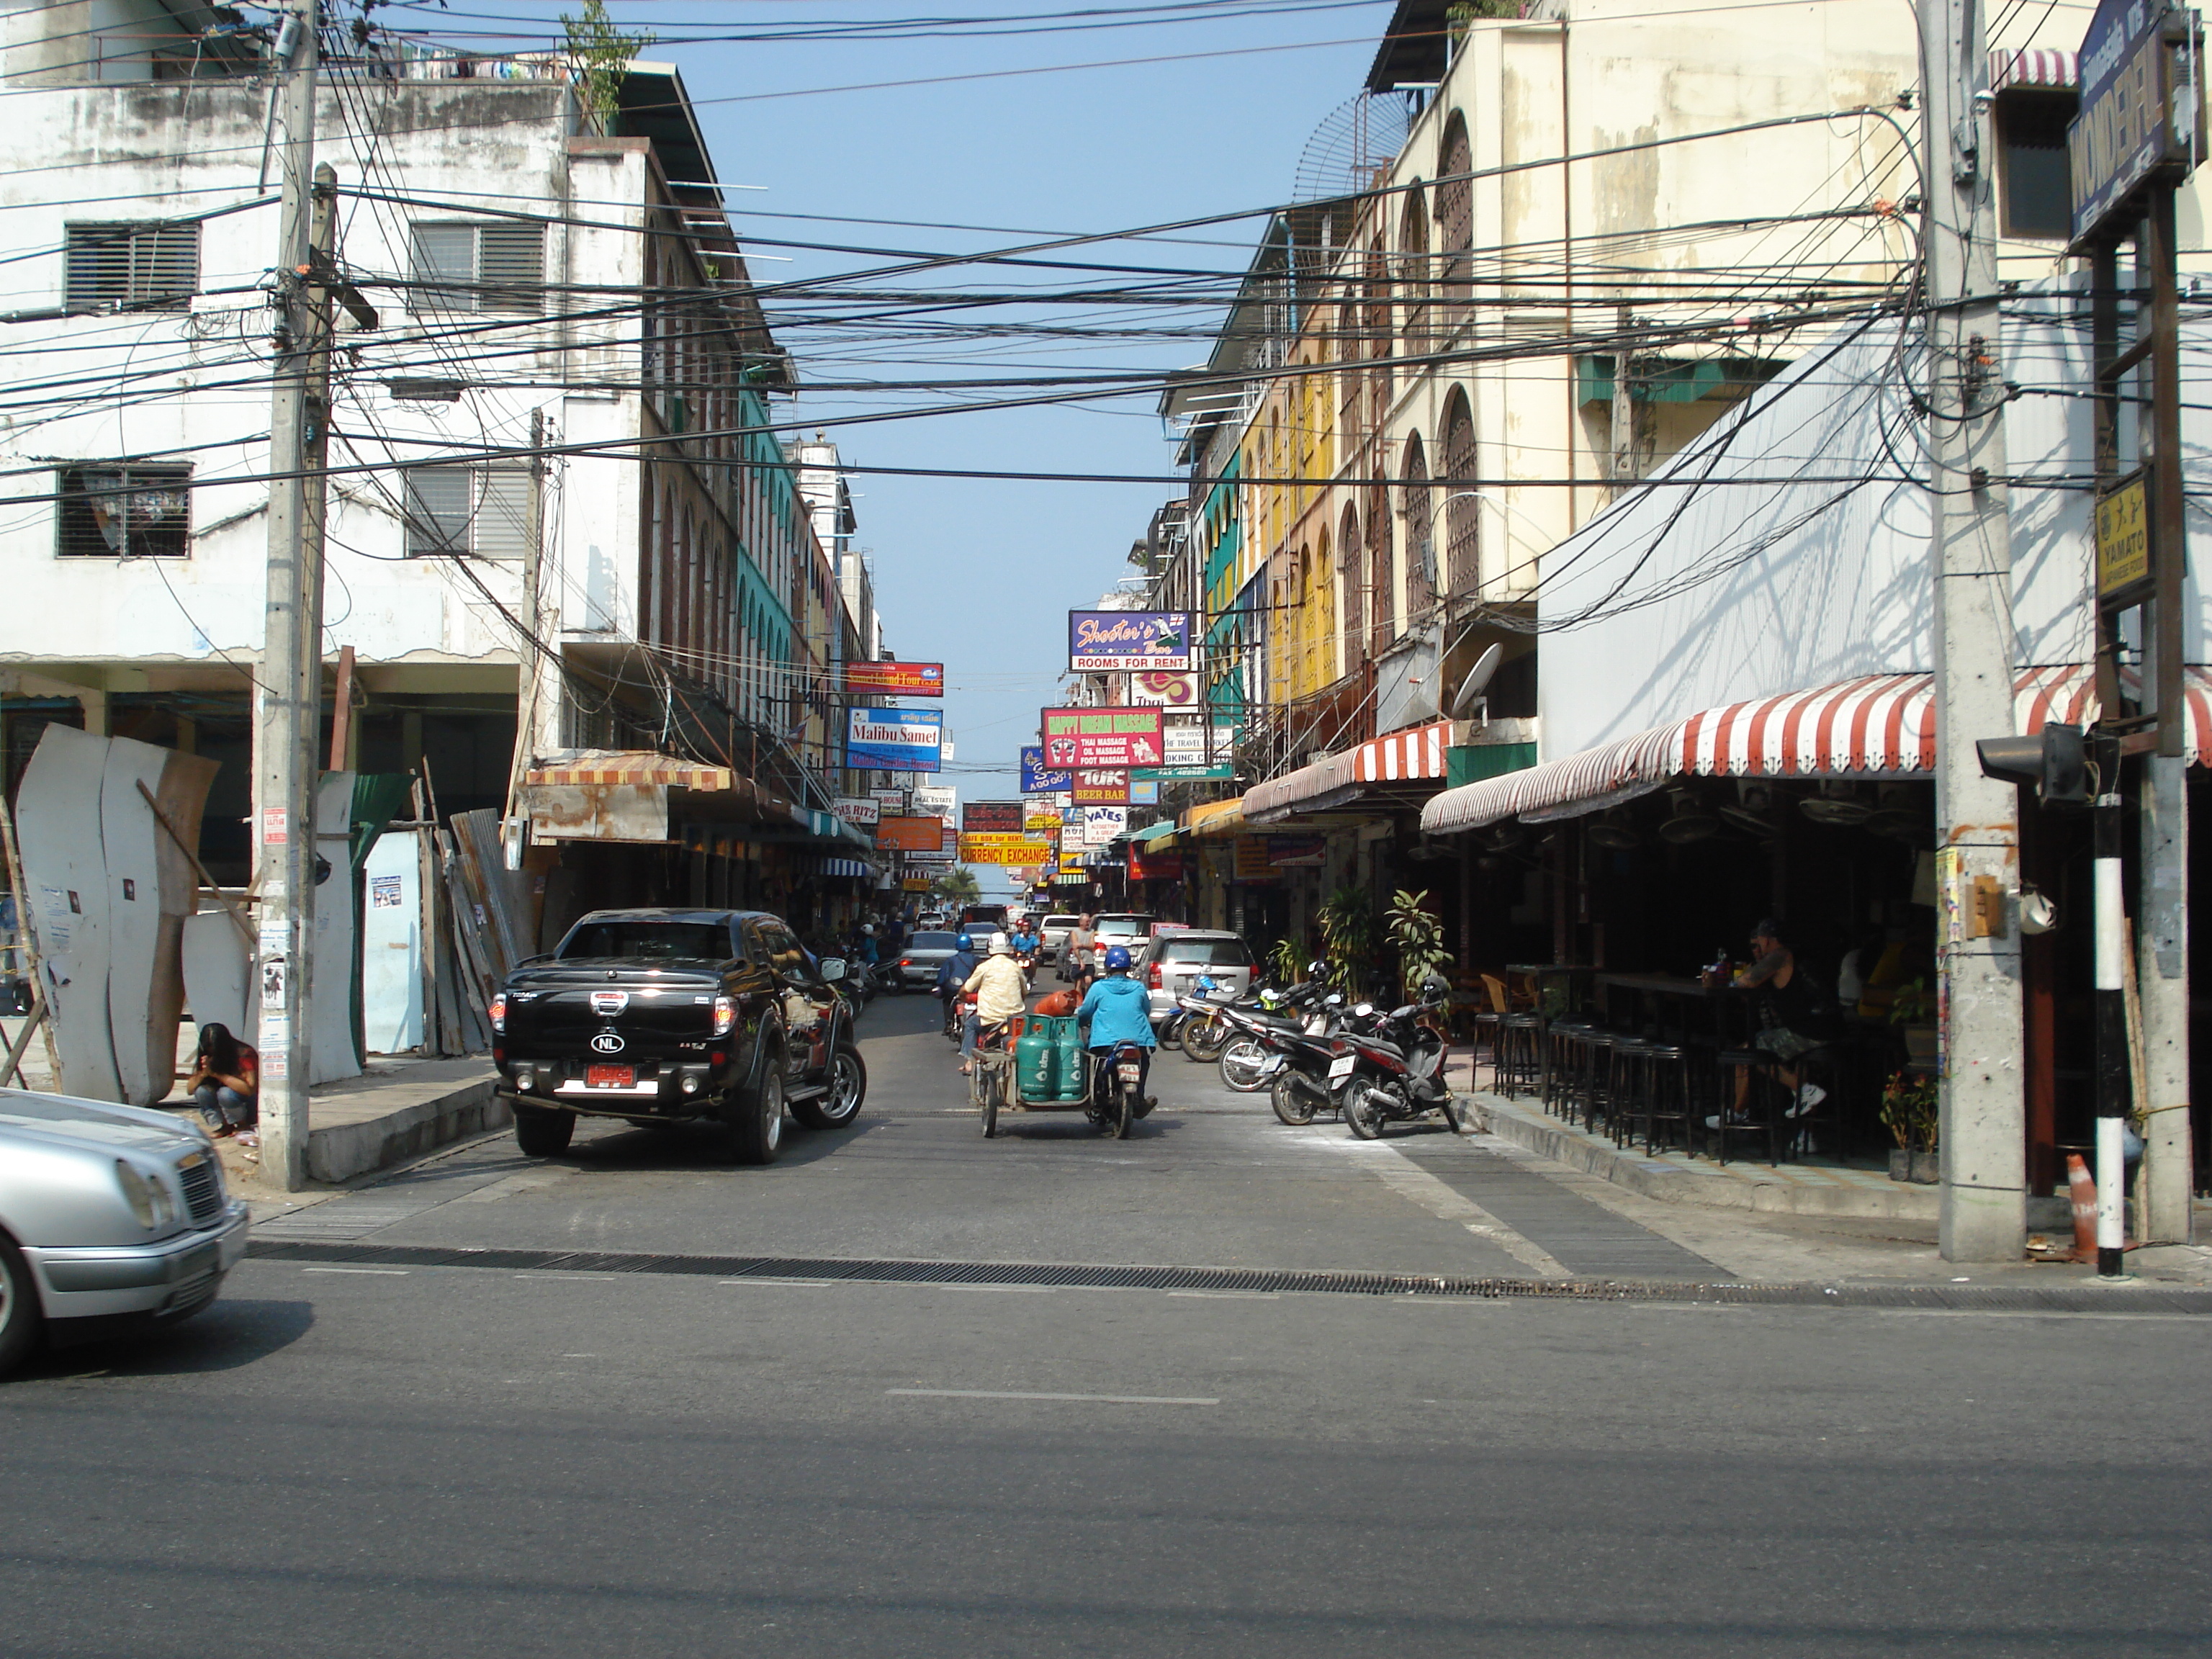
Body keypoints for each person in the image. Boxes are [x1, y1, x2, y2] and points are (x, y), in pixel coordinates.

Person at [1709, 920, 1828, 1130]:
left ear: (1767, 939)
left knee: (1748, 1053)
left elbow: (1746, 982)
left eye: (1759, 942)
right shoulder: (1800, 956)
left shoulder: (1780, 955)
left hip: (1809, 1030)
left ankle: (1803, 1091)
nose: (1758, 947)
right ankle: (1801, 1126)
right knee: (1757, 1049)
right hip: (1825, 1026)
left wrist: (1727, 980)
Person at [1076, 944, 1157, 1112]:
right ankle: (1139, 1097)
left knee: (1093, 1063)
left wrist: (1080, 1021)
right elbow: (1146, 1010)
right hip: (1138, 1041)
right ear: (1128, 968)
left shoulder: (1098, 988)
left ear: (1107, 968)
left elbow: (1085, 1012)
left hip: (1105, 1042)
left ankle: (1097, 1095)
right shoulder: (1139, 987)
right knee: (1144, 1061)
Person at [960, 936, 1030, 1076]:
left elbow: (965, 989)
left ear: (990, 948)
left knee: (970, 1025)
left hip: (990, 1019)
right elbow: (1025, 992)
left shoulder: (984, 967)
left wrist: (962, 997)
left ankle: (969, 1062)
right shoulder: (1015, 967)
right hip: (1015, 1020)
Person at [186, 1022, 259, 1138]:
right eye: (208, 1046)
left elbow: (249, 1089)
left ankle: (242, 1124)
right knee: (202, 1091)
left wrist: (218, 1075)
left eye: (213, 1046)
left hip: (247, 1102)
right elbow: (190, 1089)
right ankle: (225, 1126)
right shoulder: (207, 1055)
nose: (211, 1049)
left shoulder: (243, 1053)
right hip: (224, 1099)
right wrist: (203, 1074)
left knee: (226, 1093)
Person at [936, 930, 980, 1047]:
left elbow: (942, 978)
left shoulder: (951, 961)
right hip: (972, 992)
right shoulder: (976, 959)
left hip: (954, 990)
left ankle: (948, 1024)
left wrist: (940, 986)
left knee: (946, 1001)